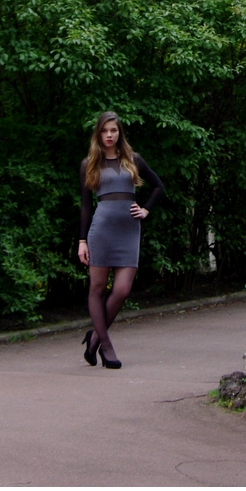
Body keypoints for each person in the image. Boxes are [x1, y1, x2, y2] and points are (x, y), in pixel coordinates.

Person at [77, 112, 163, 369]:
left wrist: (145, 209)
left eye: (113, 130)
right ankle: (106, 345)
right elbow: (84, 206)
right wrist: (82, 240)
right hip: (100, 230)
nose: (109, 135)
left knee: (123, 290)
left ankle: (93, 338)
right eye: (104, 131)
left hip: (129, 231)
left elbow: (158, 186)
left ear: (119, 133)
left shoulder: (132, 160)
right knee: (97, 287)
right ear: (98, 134)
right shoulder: (89, 164)